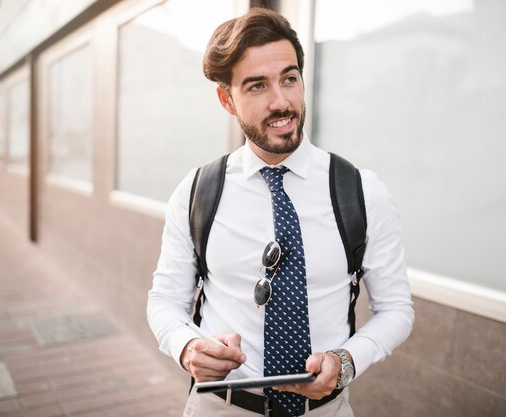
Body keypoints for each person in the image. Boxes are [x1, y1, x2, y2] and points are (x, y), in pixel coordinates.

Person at [147, 7, 413, 417]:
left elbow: (396, 309)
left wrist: (346, 361)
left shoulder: (362, 191)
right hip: (221, 408)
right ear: (226, 99)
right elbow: (165, 300)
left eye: (289, 79)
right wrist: (188, 348)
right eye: (256, 86)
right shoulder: (197, 192)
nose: (281, 101)